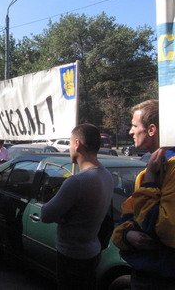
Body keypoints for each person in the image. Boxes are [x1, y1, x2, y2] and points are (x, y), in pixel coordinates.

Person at [40, 123, 113, 290]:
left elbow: (45, 215)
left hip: (71, 257)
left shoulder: (77, 182)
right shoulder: (107, 175)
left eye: (70, 143)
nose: (69, 149)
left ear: (77, 144)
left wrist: (62, 214)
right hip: (92, 252)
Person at [112, 99, 175, 288]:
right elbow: (124, 222)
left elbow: (167, 231)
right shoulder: (144, 174)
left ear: (152, 130)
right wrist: (128, 235)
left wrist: (149, 183)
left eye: (134, 125)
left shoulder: (170, 169)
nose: (130, 132)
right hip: (144, 274)